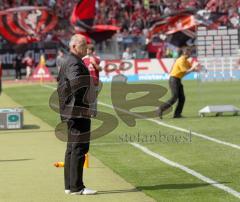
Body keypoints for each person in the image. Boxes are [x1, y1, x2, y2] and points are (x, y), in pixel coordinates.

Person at [57, 34, 97, 195]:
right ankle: (77, 187)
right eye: (83, 45)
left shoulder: (69, 60)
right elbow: (76, 84)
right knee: (79, 147)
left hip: (71, 110)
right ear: (74, 47)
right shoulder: (73, 62)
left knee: (71, 148)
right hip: (77, 110)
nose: (86, 48)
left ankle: (69, 186)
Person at [157, 47, 200, 119]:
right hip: (174, 79)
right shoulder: (181, 60)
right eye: (189, 52)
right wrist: (193, 67)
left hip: (177, 80)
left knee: (182, 98)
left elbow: (192, 69)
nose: (191, 53)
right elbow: (186, 71)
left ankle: (177, 114)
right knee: (174, 97)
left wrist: (198, 68)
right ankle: (160, 109)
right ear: (185, 53)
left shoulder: (186, 60)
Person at [83, 44, 102, 117]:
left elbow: (100, 69)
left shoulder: (96, 58)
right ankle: (90, 112)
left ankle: (93, 112)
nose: (86, 51)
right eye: (86, 49)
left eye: (88, 49)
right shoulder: (84, 59)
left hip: (95, 81)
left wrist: (94, 63)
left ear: (91, 51)